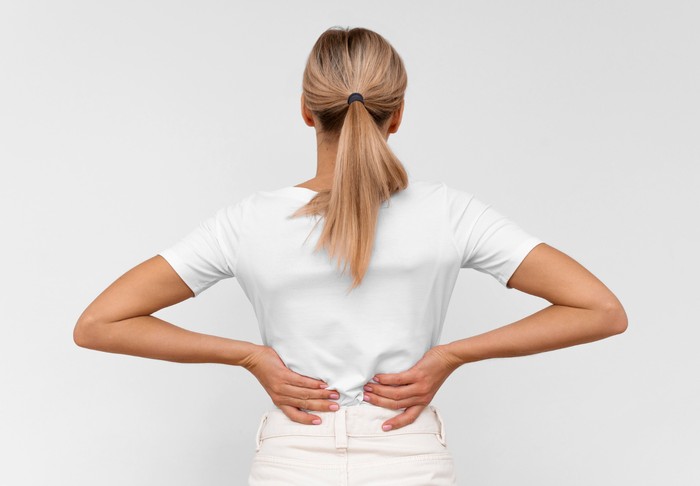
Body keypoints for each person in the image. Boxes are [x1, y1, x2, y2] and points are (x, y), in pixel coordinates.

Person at [73, 26, 628, 485]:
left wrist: (249, 357)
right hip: (407, 452)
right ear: (398, 114)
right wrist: (451, 356)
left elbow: (99, 323)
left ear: (306, 111)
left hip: (293, 454)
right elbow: (600, 310)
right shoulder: (450, 213)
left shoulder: (247, 222)